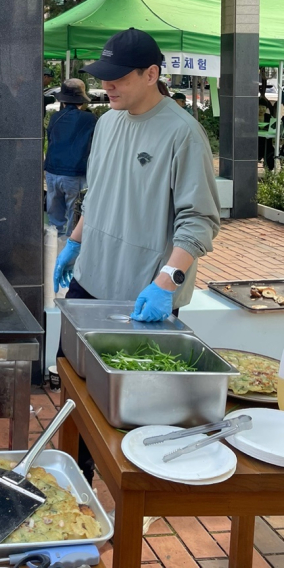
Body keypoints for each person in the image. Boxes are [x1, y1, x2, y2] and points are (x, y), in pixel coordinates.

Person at [53, 28, 220, 482]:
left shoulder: (183, 133)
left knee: (130, 414)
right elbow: (99, 192)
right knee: (74, 391)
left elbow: (199, 221)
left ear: (151, 74)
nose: (106, 86)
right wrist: (75, 241)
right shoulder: (107, 122)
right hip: (91, 279)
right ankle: (76, 481)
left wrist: (166, 284)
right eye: (102, 77)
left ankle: (132, 498)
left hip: (141, 296)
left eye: (117, 78)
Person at [44, 79, 96, 237]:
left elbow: (50, 139)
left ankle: (53, 247)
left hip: (52, 172)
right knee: (75, 219)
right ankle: (71, 252)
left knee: (54, 219)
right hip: (75, 173)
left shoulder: (55, 117)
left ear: (63, 100)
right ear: (81, 100)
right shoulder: (90, 119)